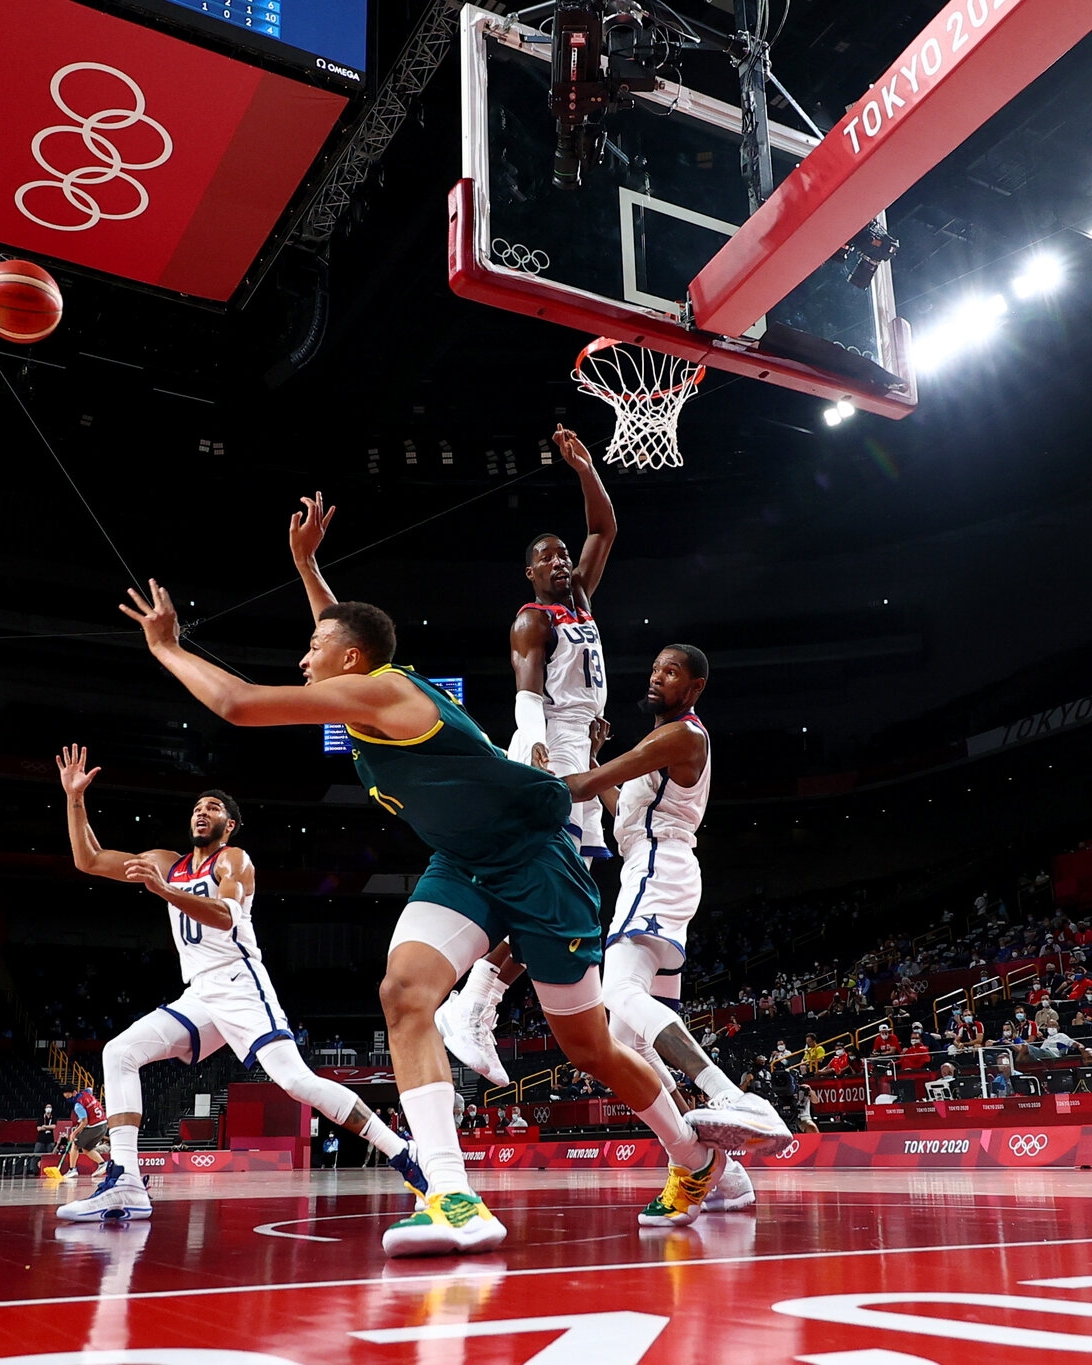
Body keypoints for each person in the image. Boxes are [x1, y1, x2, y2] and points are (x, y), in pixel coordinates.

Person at [116, 507, 720, 1258]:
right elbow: (343, 635)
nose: (304, 657)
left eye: (314, 647)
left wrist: (168, 647)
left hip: (536, 858)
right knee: (404, 993)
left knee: (588, 1044)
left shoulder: (385, 692)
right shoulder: (367, 685)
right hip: (463, 863)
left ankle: (695, 1158)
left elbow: (238, 703)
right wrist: (308, 567)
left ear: (350, 658)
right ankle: (450, 1193)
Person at [54, 748, 421, 1222]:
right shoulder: (169, 861)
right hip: (200, 993)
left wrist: (166, 892)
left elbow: (227, 917)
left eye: (212, 807)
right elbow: (90, 859)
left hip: (240, 983)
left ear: (229, 824)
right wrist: (74, 799)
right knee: (118, 1052)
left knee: (295, 1081)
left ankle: (401, 1152)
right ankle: (125, 1180)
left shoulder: (235, 861)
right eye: (196, 807)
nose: (201, 812)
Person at [562, 648, 785, 1213]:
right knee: (628, 1041)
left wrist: (543, 762)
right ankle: (722, 1177)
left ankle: (732, 1096)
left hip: (658, 871)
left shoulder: (682, 736)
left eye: (672, 672)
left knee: (617, 996)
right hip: (656, 870)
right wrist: (589, 752)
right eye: (655, 668)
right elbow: (617, 805)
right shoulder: (655, 751)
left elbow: (586, 786)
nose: (658, 677)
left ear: (695, 688)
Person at [434, 428, 618, 1085]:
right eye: (546, 557)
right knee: (554, 883)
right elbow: (527, 689)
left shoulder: (583, 603)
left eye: (564, 553)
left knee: (582, 885)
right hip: (550, 745)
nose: (561, 560)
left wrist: (586, 466)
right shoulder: (531, 618)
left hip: (583, 747)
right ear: (531, 573)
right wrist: (536, 747)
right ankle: (474, 999)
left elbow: (604, 526)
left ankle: (476, 999)